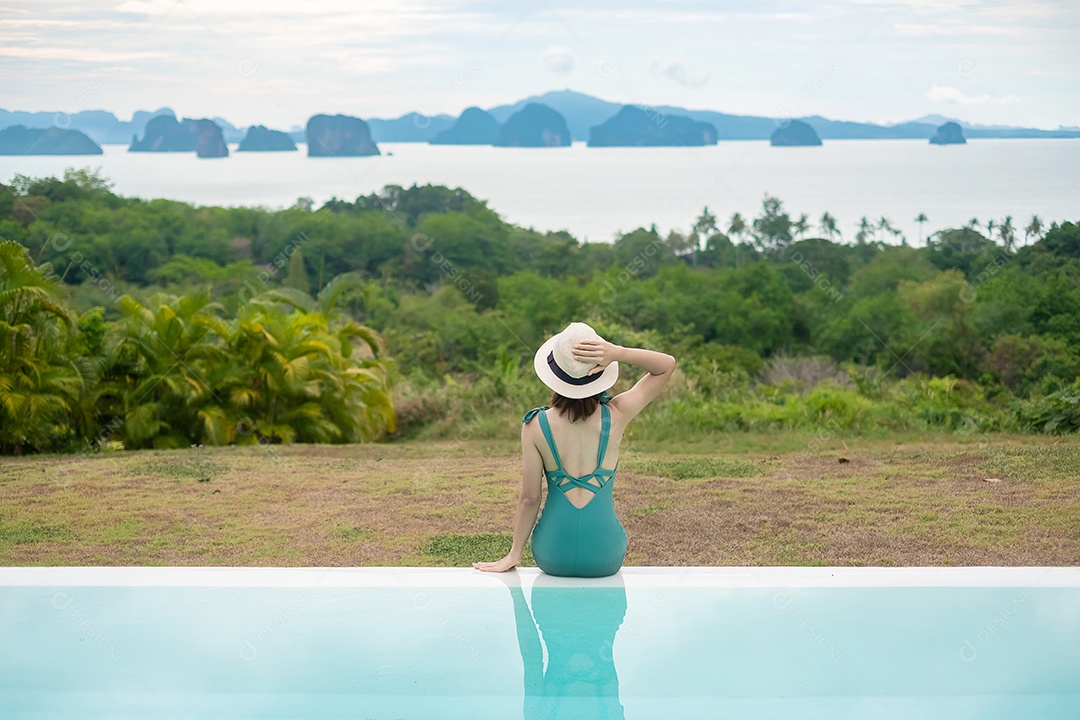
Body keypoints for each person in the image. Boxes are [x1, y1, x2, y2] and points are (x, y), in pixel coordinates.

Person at [473, 322, 676, 577]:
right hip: (605, 555)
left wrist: (514, 554)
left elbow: (529, 499)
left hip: (552, 554)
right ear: (599, 372)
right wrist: (617, 352)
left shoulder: (535, 426)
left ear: (555, 376)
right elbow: (666, 365)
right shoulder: (617, 415)